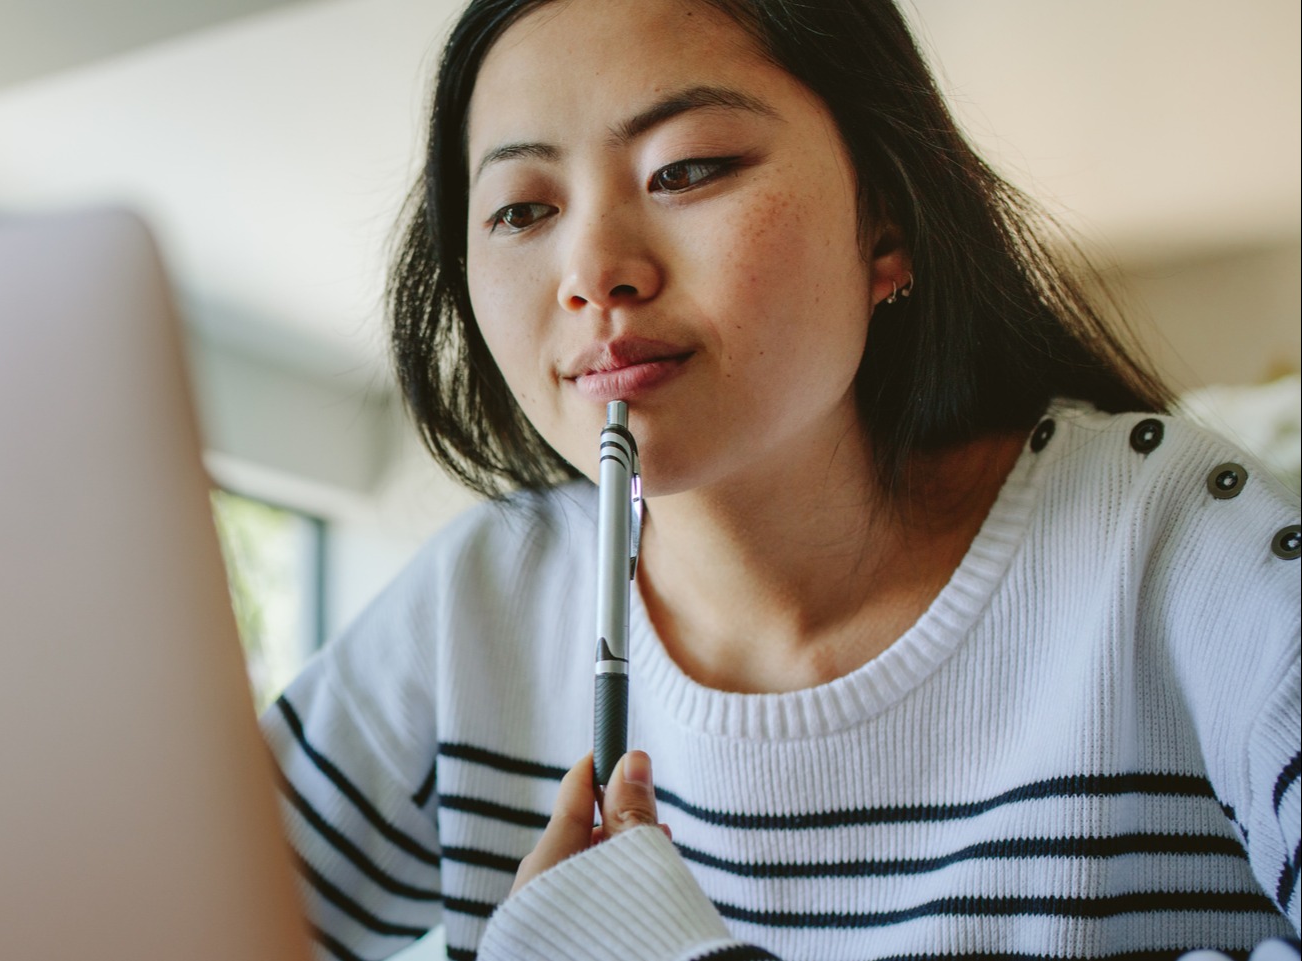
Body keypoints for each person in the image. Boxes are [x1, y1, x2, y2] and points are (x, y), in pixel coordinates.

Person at [258, 0, 1302, 959]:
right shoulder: (482, 596)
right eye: (522, 210)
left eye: (689, 167)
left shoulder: (1177, 543)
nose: (594, 271)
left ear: (885, 222)